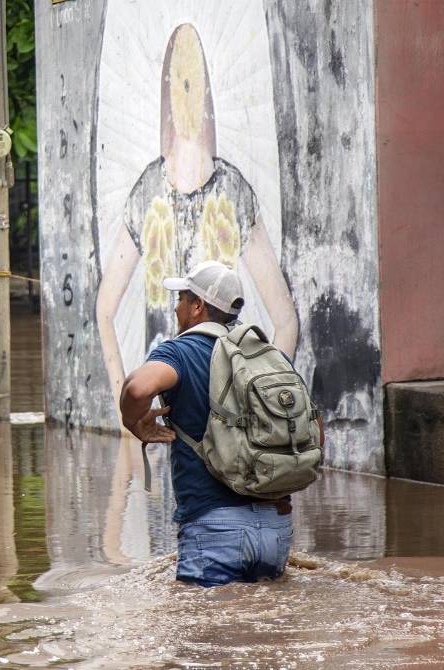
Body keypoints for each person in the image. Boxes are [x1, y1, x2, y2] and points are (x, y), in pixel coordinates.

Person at [96, 23, 298, 410]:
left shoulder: (229, 190)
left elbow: (286, 320)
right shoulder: (152, 188)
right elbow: (105, 311)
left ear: (196, 307)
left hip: (191, 402)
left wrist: (129, 416)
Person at [118, 260, 323, 587]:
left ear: (197, 306)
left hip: (213, 529)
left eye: (182, 299)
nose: (177, 308)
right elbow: (314, 429)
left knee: (203, 633)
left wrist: (134, 423)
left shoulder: (181, 352)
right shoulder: (268, 356)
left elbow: (138, 388)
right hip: (277, 528)